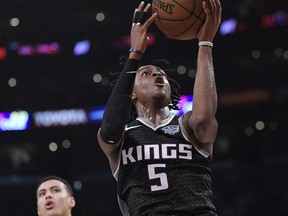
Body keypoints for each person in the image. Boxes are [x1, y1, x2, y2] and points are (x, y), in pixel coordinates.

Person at [97, 0, 222, 215]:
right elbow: (109, 128)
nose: (156, 75)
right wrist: (134, 54)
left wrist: (205, 44)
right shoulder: (121, 138)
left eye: (161, 74)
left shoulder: (187, 125)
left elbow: (204, 118)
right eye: (145, 74)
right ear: (132, 93)